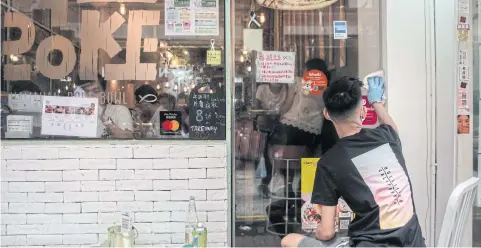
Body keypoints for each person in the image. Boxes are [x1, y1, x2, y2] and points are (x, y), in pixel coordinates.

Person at [281, 76, 425, 247]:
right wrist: (376, 102)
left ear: (326, 114)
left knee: (289, 240)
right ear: (363, 112)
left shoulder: (329, 162)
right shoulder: (387, 137)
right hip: (415, 243)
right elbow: (392, 126)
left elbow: (327, 233)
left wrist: (316, 232)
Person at [255, 83, 287, 197]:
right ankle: (264, 185)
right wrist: (266, 112)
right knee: (266, 157)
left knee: (278, 156)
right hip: (265, 126)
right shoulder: (262, 88)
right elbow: (256, 107)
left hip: (281, 126)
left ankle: (276, 185)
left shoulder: (286, 87)